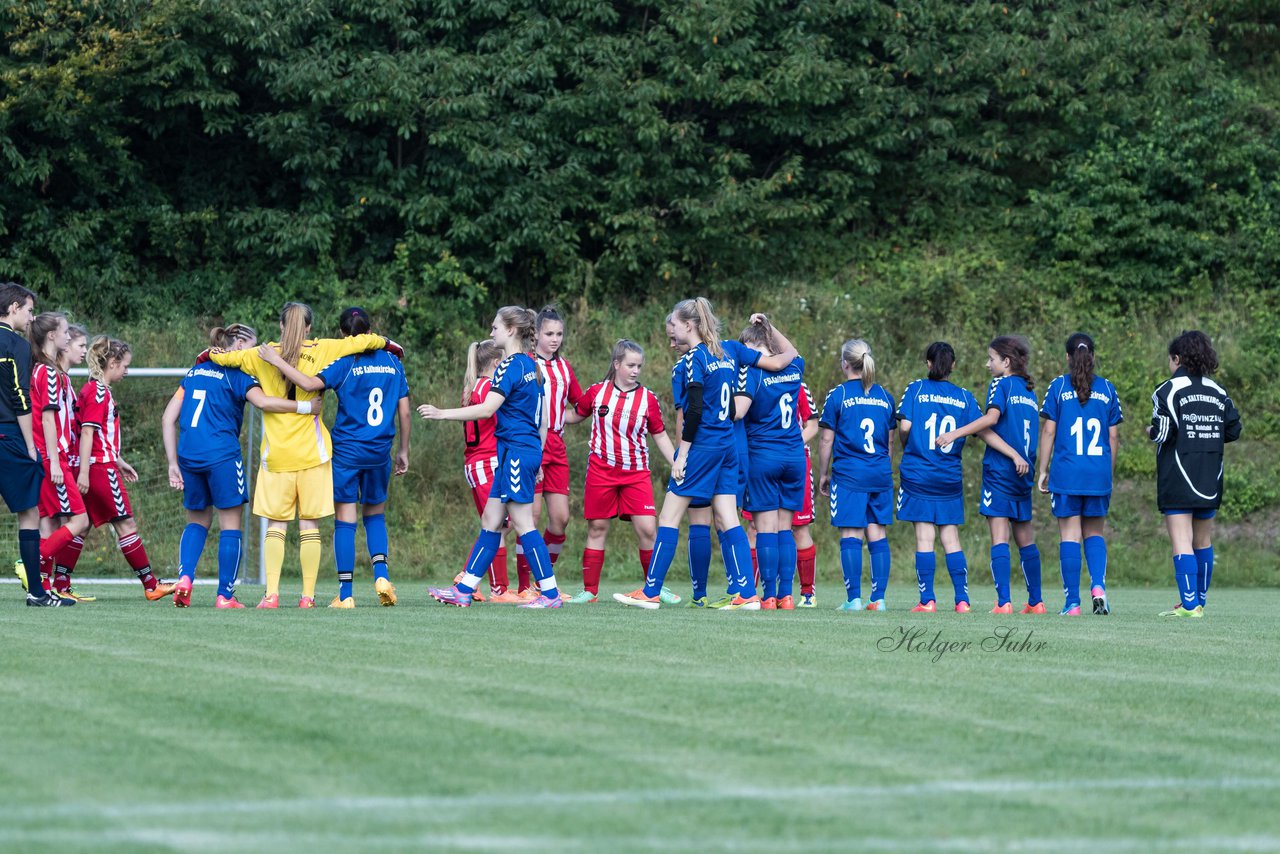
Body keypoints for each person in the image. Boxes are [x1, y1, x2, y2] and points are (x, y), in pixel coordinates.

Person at [209, 302, 397, 608]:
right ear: (309, 327)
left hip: (278, 452)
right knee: (310, 525)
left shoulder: (262, 353)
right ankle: (307, 597)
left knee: (276, 525)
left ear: (281, 325)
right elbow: (364, 340)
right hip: (314, 451)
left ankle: (271, 595)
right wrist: (388, 343)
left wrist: (210, 355)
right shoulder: (324, 349)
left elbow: (225, 358)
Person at [614, 298, 795, 610]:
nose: (671, 331)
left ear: (689, 325)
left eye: (674, 325)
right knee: (727, 515)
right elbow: (782, 361)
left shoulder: (693, 359)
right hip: (728, 445)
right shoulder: (730, 349)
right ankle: (747, 594)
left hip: (705, 444)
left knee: (669, 515)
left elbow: (694, 409)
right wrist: (771, 329)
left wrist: (682, 455)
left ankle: (651, 591)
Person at [257, 307, 411, 608]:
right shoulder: (393, 361)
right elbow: (404, 410)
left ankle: (345, 594)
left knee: (345, 520)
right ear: (371, 329)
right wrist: (404, 449)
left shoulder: (344, 361)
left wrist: (276, 361)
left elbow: (310, 384)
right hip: (380, 450)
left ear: (343, 334)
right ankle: (381, 576)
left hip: (347, 451)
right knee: (375, 515)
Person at [418, 306, 562, 609]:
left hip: (516, 454)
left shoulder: (510, 366)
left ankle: (550, 595)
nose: (491, 332)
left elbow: (486, 409)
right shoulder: (531, 365)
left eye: (495, 327)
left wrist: (442, 413)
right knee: (491, 520)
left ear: (510, 330)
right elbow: (543, 420)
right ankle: (464, 589)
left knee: (523, 524)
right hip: (519, 452)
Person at [162, 323, 310, 608]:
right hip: (222, 457)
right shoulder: (238, 374)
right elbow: (264, 402)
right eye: (253, 346)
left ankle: (185, 579)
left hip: (188, 455)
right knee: (231, 524)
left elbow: (168, 418)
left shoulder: (194, 372)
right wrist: (304, 407)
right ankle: (225, 596)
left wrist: (172, 463)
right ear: (240, 345)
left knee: (197, 521)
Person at [897, 342, 1028, 613]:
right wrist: (1014, 454)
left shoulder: (916, 388)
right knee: (951, 538)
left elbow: (905, 426)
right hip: (948, 477)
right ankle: (962, 601)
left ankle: (928, 600)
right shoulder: (965, 397)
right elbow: (985, 432)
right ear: (953, 366)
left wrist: (907, 443)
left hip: (919, 472)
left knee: (924, 538)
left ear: (929, 363)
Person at [561, 339, 676, 603]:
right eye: (630, 365)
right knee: (597, 527)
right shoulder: (597, 392)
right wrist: (545, 411)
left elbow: (659, 436)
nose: (636, 370)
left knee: (648, 528)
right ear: (616, 365)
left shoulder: (648, 399)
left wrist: (676, 463)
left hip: (636, 473)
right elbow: (573, 415)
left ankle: (653, 588)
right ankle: (589, 591)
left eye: (639, 366)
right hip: (601, 472)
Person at [935, 336, 1043, 614]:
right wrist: (1023, 457)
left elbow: (991, 419)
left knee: (999, 538)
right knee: (1025, 540)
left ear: (1006, 362)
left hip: (1001, 470)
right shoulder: (1029, 391)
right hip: (1024, 473)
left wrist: (954, 433)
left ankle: (1004, 602)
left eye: (991, 359)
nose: (987, 364)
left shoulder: (1002, 384)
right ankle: (1036, 602)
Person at [75, 336, 175, 601]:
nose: (127, 371)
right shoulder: (98, 392)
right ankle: (151, 585)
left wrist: (119, 461)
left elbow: (98, 436)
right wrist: (85, 471)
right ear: (112, 362)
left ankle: (59, 582)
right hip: (99, 470)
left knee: (80, 526)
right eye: (125, 366)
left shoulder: (92, 390)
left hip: (100, 464)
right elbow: (87, 434)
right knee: (126, 525)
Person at [1150, 331, 1242, 618]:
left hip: (1178, 472)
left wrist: (1150, 432)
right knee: (1203, 541)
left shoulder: (1167, 390)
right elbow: (1233, 429)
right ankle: (1198, 601)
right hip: (1210, 475)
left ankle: (1189, 605)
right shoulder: (1219, 391)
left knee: (1181, 539)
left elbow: (1164, 431)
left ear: (1177, 359)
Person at [1037, 333, 1123, 616]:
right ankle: (1098, 588)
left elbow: (1049, 430)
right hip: (1097, 473)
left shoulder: (1058, 386)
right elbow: (1113, 439)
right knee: (1095, 533)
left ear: (1067, 357)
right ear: (1093, 357)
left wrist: (1043, 469)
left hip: (1068, 473)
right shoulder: (1107, 389)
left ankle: (1072, 603)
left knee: (1070, 536)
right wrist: (1106, 475)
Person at [0, 282, 73, 606]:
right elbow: (19, 395)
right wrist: (31, 445)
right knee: (29, 514)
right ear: (14, 309)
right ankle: (37, 593)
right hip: (8, 436)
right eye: (29, 310)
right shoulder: (14, 344)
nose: (31, 318)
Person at [817, 339, 896, 611]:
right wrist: (883, 468)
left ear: (845, 364)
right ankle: (879, 599)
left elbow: (826, 440)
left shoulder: (838, 395)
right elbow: (889, 443)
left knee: (852, 532)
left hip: (850, 474)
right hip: (880, 474)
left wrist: (823, 473)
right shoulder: (885, 396)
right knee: (877, 533)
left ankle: (854, 599)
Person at [735, 320, 807, 610]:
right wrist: (771, 325)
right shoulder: (793, 368)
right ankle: (787, 596)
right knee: (785, 529)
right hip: (793, 456)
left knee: (765, 530)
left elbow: (738, 412)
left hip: (763, 456)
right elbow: (792, 351)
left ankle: (768, 596)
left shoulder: (751, 372)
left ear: (753, 348)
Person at [27, 312, 92, 599]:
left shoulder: (42, 370)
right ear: (51, 336)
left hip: (45, 456)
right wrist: (54, 460)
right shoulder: (49, 373)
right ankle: (32, 563)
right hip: (53, 458)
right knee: (80, 521)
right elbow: (47, 419)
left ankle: (43, 585)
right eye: (65, 332)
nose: (69, 337)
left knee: (49, 522)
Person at [523, 306, 582, 599]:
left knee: (560, 519)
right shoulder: (526, 364)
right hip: (532, 443)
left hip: (556, 445)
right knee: (529, 517)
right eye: (549, 333)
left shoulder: (564, 367)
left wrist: (564, 416)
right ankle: (522, 587)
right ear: (535, 335)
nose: (555, 339)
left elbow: (580, 406)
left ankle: (541, 579)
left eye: (559, 334)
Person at [456, 338, 520, 602]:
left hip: (476, 462)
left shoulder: (472, 387)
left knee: (499, 524)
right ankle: (497, 588)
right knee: (498, 525)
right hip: (487, 462)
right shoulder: (490, 389)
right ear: (497, 362)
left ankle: (472, 577)